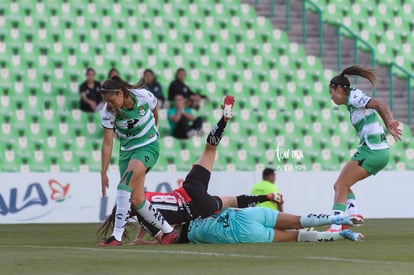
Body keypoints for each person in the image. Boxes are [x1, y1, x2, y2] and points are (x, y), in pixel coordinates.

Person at [98, 96, 285, 243]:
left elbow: (162, 236)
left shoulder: (141, 209)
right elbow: (145, 216)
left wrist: (144, 242)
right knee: (210, 149)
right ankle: (224, 120)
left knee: (230, 201)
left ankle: (265, 201)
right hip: (190, 188)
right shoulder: (141, 199)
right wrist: (139, 238)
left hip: (195, 206)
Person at [98, 75, 177, 246]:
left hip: (147, 147)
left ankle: (116, 237)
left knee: (123, 186)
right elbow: (107, 142)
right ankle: (169, 232)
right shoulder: (108, 112)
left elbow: (155, 111)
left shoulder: (143, 96)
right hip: (127, 152)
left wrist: (154, 131)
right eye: (106, 101)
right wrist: (103, 171)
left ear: (120, 94)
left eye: (111, 100)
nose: (109, 105)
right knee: (137, 199)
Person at [326, 65, 402, 232]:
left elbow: (380, 104)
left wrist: (389, 121)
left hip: (372, 151)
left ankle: (336, 225)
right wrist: (387, 124)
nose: (331, 97)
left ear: (339, 89)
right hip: (377, 152)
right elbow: (375, 107)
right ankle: (353, 214)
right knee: (342, 185)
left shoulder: (354, 97)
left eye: (331, 92)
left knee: (340, 185)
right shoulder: (353, 100)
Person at [184, 208, 364, 244]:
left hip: (244, 234)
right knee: (298, 220)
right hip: (245, 214)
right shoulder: (196, 212)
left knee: (296, 236)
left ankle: (343, 235)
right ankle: (339, 219)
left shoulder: (194, 237)